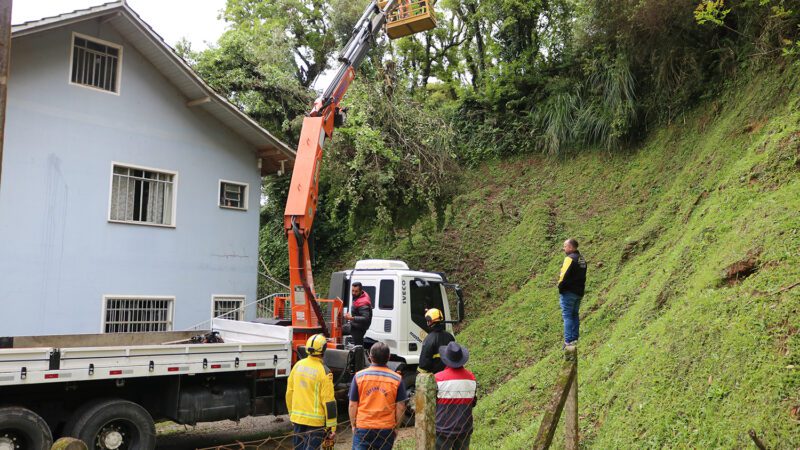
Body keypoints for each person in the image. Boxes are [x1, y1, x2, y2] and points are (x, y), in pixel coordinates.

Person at [349, 342, 407, 449]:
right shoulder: (397, 379)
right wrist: (396, 427)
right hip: (386, 428)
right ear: (388, 357)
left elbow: (353, 404)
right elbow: (401, 406)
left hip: (363, 426)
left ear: (370, 357)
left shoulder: (359, 377)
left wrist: (353, 425)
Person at [286, 334, 337, 450]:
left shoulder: (297, 366)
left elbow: (289, 392)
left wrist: (291, 414)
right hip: (316, 423)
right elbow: (329, 401)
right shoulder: (324, 371)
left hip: (298, 419)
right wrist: (331, 428)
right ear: (324, 350)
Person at [435, 342, 477, 450]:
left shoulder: (437, 379)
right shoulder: (471, 378)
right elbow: (473, 402)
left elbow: (431, 403)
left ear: (446, 359)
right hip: (464, 428)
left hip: (442, 429)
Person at [558, 238, 587, 347]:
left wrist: (560, 288)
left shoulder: (569, 259)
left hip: (568, 292)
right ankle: (574, 338)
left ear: (570, 247)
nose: (564, 248)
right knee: (574, 314)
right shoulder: (582, 259)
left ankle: (568, 341)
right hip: (579, 292)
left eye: (565, 246)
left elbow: (563, 276)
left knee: (567, 316)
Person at [418, 308, 454, 374]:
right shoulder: (450, 336)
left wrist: (418, 372)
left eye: (427, 321)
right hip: (449, 375)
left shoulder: (429, 339)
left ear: (430, 321)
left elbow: (424, 364)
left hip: (436, 377)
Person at [345, 282, 373, 346]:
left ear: (360, 291)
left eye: (356, 291)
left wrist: (351, 318)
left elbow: (366, 318)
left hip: (359, 328)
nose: (353, 293)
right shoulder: (361, 294)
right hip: (355, 324)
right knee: (339, 329)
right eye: (352, 290)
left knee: (358, 347)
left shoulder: (363, 302)